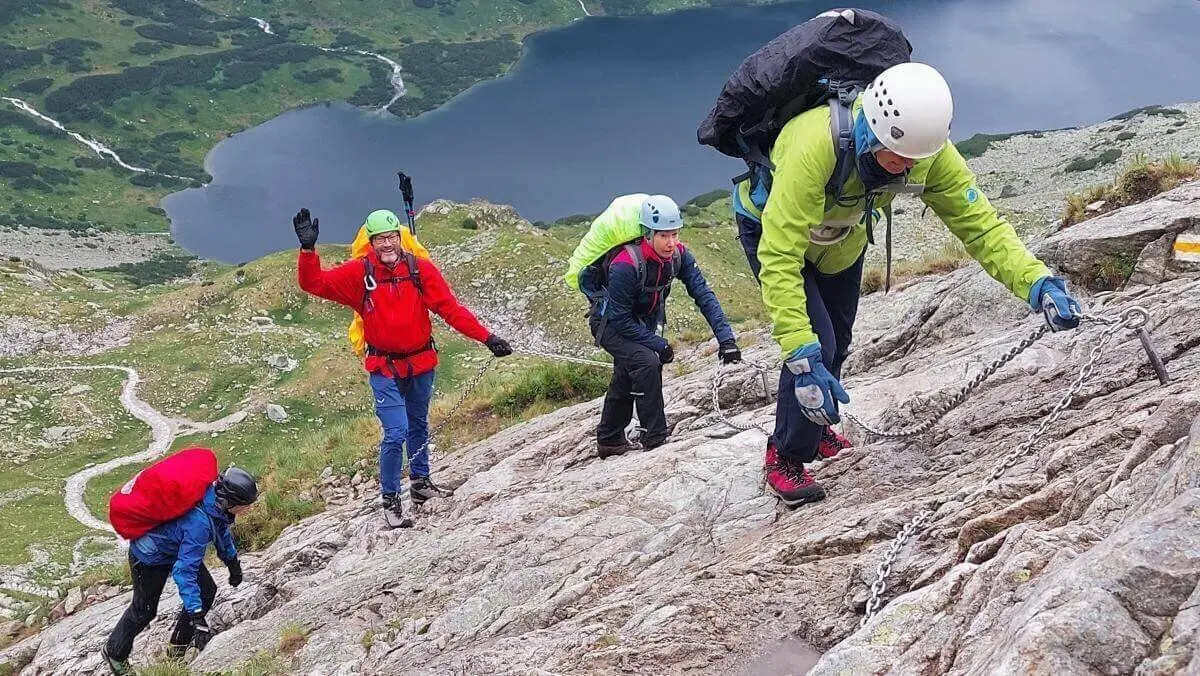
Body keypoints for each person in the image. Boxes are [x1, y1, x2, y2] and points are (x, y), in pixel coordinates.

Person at [734, 62, 1083, 507]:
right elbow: (780, 255)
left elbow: (981, 226)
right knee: (814, 341)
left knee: (838, 339)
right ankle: (784, 454)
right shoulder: (814, 144)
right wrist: (801, 358)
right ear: (874, 131)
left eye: (914, 160)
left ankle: (815, 427)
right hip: (771, 232)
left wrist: (1037, 282)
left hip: (841, 241)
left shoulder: (927, 152)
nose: (905, 169)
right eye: (896, 157)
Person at [292, 207, 514, 527]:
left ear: (400, 237)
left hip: (421, 363)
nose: (387, 244)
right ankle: (391, 499)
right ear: (371, 242)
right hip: (384, 366)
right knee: (396, 432)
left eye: (391, 237)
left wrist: (487, 338)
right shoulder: (360, 274)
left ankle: (420, 483)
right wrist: (308, 250)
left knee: (418, 424)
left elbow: (450, 310)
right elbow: (314, 283)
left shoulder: (419, 270)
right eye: (380, 239)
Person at [578, 194, 742, 458]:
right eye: (664, 235)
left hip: (639, 323)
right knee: (646, 362)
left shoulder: (679, 256)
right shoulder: (625, 265)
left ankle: (609, 439)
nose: (671, 242)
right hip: (609, 324)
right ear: (648, 234)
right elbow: (619, 319)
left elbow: (703, 295)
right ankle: (655, 438)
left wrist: (726, 339)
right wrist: (658, 344)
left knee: (627, 370)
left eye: (675, 234)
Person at [101, 468, 258, 674]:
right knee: (144, 610)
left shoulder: (214, 504)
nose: (248, 509)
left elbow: (220, 530)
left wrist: (232, 563)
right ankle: (114, 653)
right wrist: (196, 615)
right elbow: (184, 572)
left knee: (206, 591)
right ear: (230, 502)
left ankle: (177, 650)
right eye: (246, 505)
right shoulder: (199, 523)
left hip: (176, 547)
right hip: (149, 556)